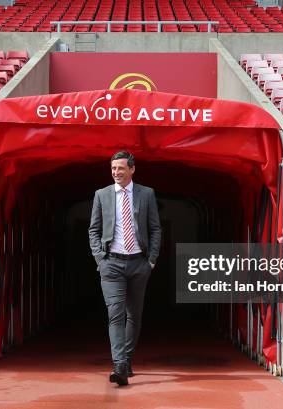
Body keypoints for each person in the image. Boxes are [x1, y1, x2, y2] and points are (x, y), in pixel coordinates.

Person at [88, 151, 162, 386]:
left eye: (120, 168)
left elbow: (155, 228)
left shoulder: (146, 193)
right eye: (113, 169)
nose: (116, 172)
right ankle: (119, 365)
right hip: (111, 264)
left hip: (139, 263)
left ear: (131, 169)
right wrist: (100, 258)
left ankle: (127, 359)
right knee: (116, 314)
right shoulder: (102, 195)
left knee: (134, 315)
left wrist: (151, 260)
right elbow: (94, 230)